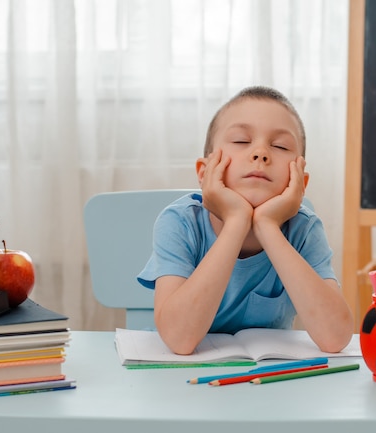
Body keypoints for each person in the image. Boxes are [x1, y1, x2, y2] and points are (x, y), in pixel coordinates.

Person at [137, 86, 354, 355]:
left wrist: (267, 226)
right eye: (241, 141)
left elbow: (335, 338)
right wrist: (237, 222)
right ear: (204, 173)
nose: (261, 153)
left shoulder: (304, 230)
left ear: (301, 182)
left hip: (269, 379)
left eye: (280, 146)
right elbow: (179, 339)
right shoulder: (179, 223)